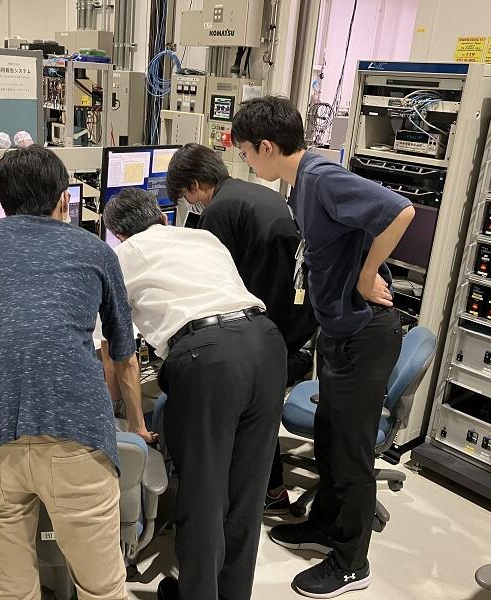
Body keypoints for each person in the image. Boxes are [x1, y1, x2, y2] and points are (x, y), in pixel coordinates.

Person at [231, 96, 415, 599]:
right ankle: (325, 527)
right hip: (339, 332)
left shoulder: (321, 176)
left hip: (364, 333)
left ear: (266, 147)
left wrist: (367, 273)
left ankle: (352, 563)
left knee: (351, 454)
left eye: (245, 152)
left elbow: (400, 211)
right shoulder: (301, 186)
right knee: (331, 442)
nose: (246, 161)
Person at [0, 145, 136, 600]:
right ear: (64, 199)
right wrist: (136, 424)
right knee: (102, 588)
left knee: (12, 591)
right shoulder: (95, 250)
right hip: (77, 434)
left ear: (1, 200)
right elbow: (123, 353)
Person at [101, 188, 287, 600]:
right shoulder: (203, 236)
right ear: (163, 218)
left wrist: (130, 422)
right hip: (267, 343)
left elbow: (119, 356)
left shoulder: (120, 257)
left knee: (204, 494)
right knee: (247, 493)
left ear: (119, 235)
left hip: (209, 357)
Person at [165, 143, 319, 513]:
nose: (190, 205)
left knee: (229, 396)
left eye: (186, 196)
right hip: (300, 324)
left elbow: (212, 286)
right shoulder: (254, 192)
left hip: (274, 335)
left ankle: (266, 491)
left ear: (196, 185)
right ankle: (268, 488)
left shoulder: (219, 211)